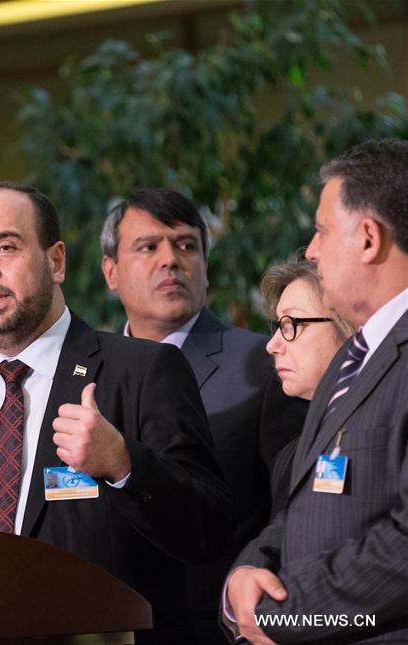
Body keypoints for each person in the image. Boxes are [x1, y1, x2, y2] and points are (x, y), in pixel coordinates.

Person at [0, 181, 233, 643]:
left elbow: (209, 531)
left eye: (5, 247)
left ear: (56, 261)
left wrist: (125, 465)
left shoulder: (141, 371)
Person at [100, 188, 308, 644]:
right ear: (110, 271)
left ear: (206, 267)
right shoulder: (87, 376)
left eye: (186, 245)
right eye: (148, 246)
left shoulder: (265, 363)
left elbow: (295, 506)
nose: (170, 260)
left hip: (220, 625)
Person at [224, 138, 408, 643]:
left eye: (323, 231)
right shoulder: (355, 362)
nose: (310, 250)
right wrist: (248, 575)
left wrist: (288, 613)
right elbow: (305, 510)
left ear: (368, 238)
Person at [260, 260, 356, 515]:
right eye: (278, 326)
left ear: (348, 325)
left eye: (292, 324)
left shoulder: (387, 428)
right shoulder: (290, 456)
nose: (272, 345)